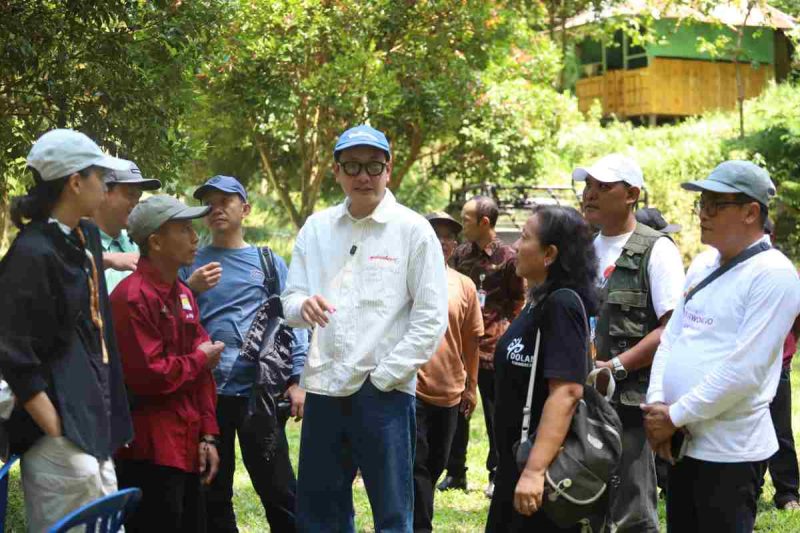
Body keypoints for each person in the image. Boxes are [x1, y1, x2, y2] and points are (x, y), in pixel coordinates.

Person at [282, 124, 448, 532]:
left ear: (388, 170)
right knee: (320, 514)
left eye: (373, 166)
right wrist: (304, 305)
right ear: (336, 172)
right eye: (352, 166)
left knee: (392, 513)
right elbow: (289, 301)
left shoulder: (412, 230)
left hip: (385, 396)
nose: (363, 176)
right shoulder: (316, 229)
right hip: (323, 389)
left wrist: (386, 377)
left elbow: (431, 317)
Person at [644, 161, 800, 532]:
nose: (704, 213)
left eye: (716, 203)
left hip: (728, 453)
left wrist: (673, 416)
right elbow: (672, 338)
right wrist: (657, 408)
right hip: (681, 443)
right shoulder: (702, 263)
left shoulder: (773, 275)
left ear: (751, 212)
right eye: (702, 203)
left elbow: (745, 370)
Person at [0, 129, 133, 531]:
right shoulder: (30, 254)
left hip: (94, 427)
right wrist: (57, 432)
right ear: (75, 182)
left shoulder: (85, 236)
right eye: (100, 177)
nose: (107, 187)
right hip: (59, 438)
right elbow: (15, 357)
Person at [181, 175, 309, 532]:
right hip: (207, 395)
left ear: (246, 209)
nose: (217, 208)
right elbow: (171, 316)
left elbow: (293, 322)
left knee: (279, 489)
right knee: (212, 492)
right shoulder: (189, 261)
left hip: (259, 394)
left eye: (227, 200)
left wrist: (298, 380)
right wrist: (189, 287)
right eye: (210, 202)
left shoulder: (268, 263)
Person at [574, 153, 685, 533]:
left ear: (632, 194)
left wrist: (617, 366)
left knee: (631, 513)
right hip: (581, 402)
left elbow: (671, 328)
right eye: (588, 185)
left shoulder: (657, 250)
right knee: (582, 502)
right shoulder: (583, 249)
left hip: (630, 404)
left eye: (603, 186)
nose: (590, 194)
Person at [110, 195, 222, 533]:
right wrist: (200, 358)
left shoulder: (185, 294)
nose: (195, 237)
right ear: (156, 242)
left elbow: (200, 371)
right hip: (150, 450)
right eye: (185, 229)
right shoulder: (131, 297)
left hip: (188, 444)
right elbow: (151, 376)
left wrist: (209, 435)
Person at [486, 205, 599, 532]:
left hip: (543, 474)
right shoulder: (539, 301)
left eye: (524, 237)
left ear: (549, 253)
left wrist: (535, 472)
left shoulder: (562, 305)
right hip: (515, 467)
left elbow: (566, 393)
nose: (516, 246)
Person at [440, 196, 526, 498]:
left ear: (484, 222)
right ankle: (455, 471)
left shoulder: (509, 257)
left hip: (493, 347)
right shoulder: (461, 254)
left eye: (465, 219)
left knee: (495, 415)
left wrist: (509, 337)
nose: (462, 225)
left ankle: (496, 473)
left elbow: (518, 302)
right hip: (460, 344)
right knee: (456, 411)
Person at [414, 212, 484, 533]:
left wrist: (471, 386)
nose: (443, 243)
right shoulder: (407, 277)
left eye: (449, 238)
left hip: (450, 390)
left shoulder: (464, 285)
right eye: (436, 236)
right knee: (416, 467)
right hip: (410, 387)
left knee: (435, 465)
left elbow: (471, 341)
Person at [758, 218, 800, 510]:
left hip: (779, 367)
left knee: (780, 431)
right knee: (747, 427)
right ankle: (751, 486)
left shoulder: (783, 272)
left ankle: (787, 493)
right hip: (747, 368)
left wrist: (788, 351)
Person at [94, 159, 161, 292]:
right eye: (130, 194)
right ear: (104, 192)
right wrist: (106, 259)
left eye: (138, 196)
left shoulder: (141, 245)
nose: (136, 203)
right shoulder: (77, 240)